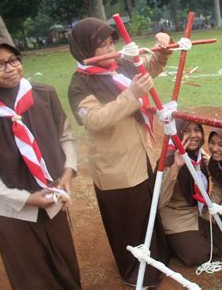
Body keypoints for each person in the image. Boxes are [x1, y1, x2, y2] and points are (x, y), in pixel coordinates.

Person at [68, 17, 171, 288]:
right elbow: (94, 120)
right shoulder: (80, 84)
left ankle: (158, 259)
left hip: (142, 153)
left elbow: (150, 67)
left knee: (148, 210)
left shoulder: (121, 65)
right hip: (116, 167)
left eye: (110, 42)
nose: (108, 49)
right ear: (83, 50)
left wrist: (163, 50)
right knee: (128, 218)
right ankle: (137, 272)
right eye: (100, 46)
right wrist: (131, 95)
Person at [0, 36, 81, 289]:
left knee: (66, 266)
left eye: (14, 60)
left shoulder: (43, 94)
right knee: (31, 275)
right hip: (11, 210)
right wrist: (27, 200)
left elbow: (66, 136)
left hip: (53, 197)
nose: (10, 69)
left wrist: (67, 173)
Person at [159, 120, 222, 266]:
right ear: (177, 133)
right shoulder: (166, 159)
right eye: (186, 131)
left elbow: (218, 180)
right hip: (177, 215)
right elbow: (159, 200)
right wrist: (176, 167)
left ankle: (192, 238)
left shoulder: (201, 157)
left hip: (198, 211)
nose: (193, 135)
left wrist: (212, 206)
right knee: (197, 256)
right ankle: (172, 243)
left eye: (197, 130)